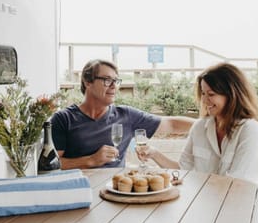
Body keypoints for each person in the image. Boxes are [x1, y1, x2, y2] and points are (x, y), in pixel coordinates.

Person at [136, 62, 258, 188]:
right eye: (203, 93)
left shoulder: (250, 131)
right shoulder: (200, 127)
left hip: (245, 207)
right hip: (210, 203)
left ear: (232, 95)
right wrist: (154, 154)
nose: (205, 100)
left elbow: (238, 184)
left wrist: (194, 182)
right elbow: (183, 169)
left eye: (211, 94)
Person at [51, 59, 195, 170]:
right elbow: (51, 165)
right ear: (88, 82)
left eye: (116, 81)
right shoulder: (63, 119)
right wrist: (90, 160)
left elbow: (170, 124)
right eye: (107, 80)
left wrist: (209, 123)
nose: (114, 86)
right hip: (79, 191)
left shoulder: (126, 115)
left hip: (115, 191)